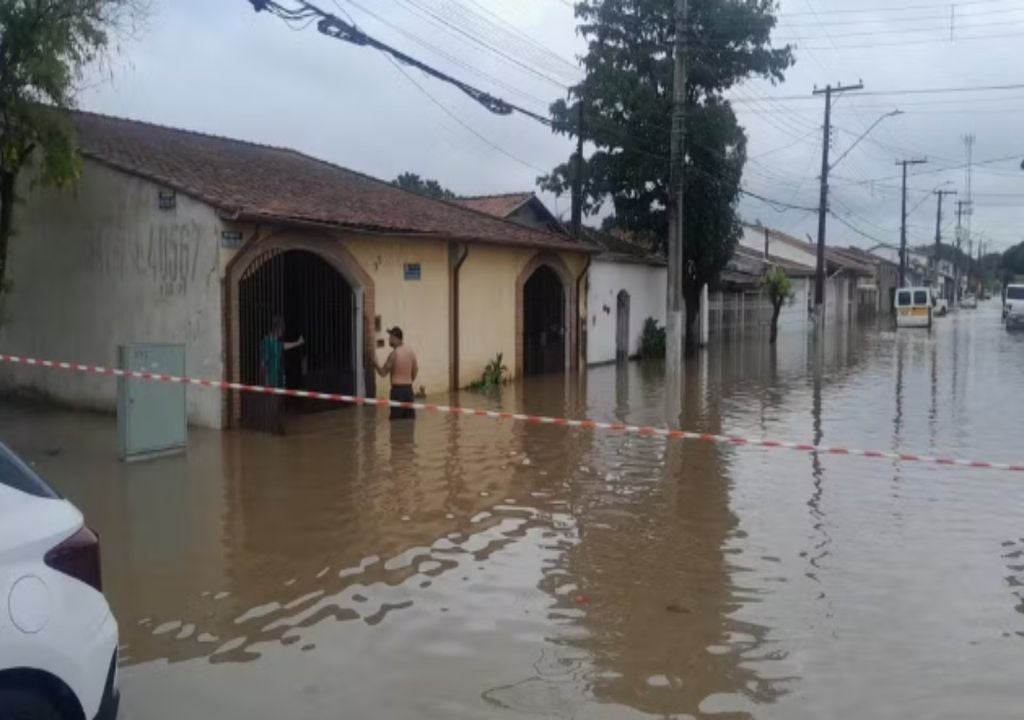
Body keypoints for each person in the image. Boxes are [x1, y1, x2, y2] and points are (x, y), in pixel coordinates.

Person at [370, 326, 418, 420]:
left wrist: (375, 364)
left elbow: (383, 373)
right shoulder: (410, 351)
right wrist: (408, 381)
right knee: (409, 423)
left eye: (390, 337)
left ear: (395, 338)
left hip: (397, 392)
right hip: (409, 391)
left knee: (396, 422)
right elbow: (416, 369)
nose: (389, 339)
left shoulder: (394, 354)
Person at [260, 316, 304, 389]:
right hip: (269, 383)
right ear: (277, 329)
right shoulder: (267, 342)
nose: (283, 331)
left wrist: (298, 343)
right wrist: (266, 383)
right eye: (282, 329)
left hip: (278, 381)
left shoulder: (277, 343)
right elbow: (263, 364)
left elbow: (284, 346)